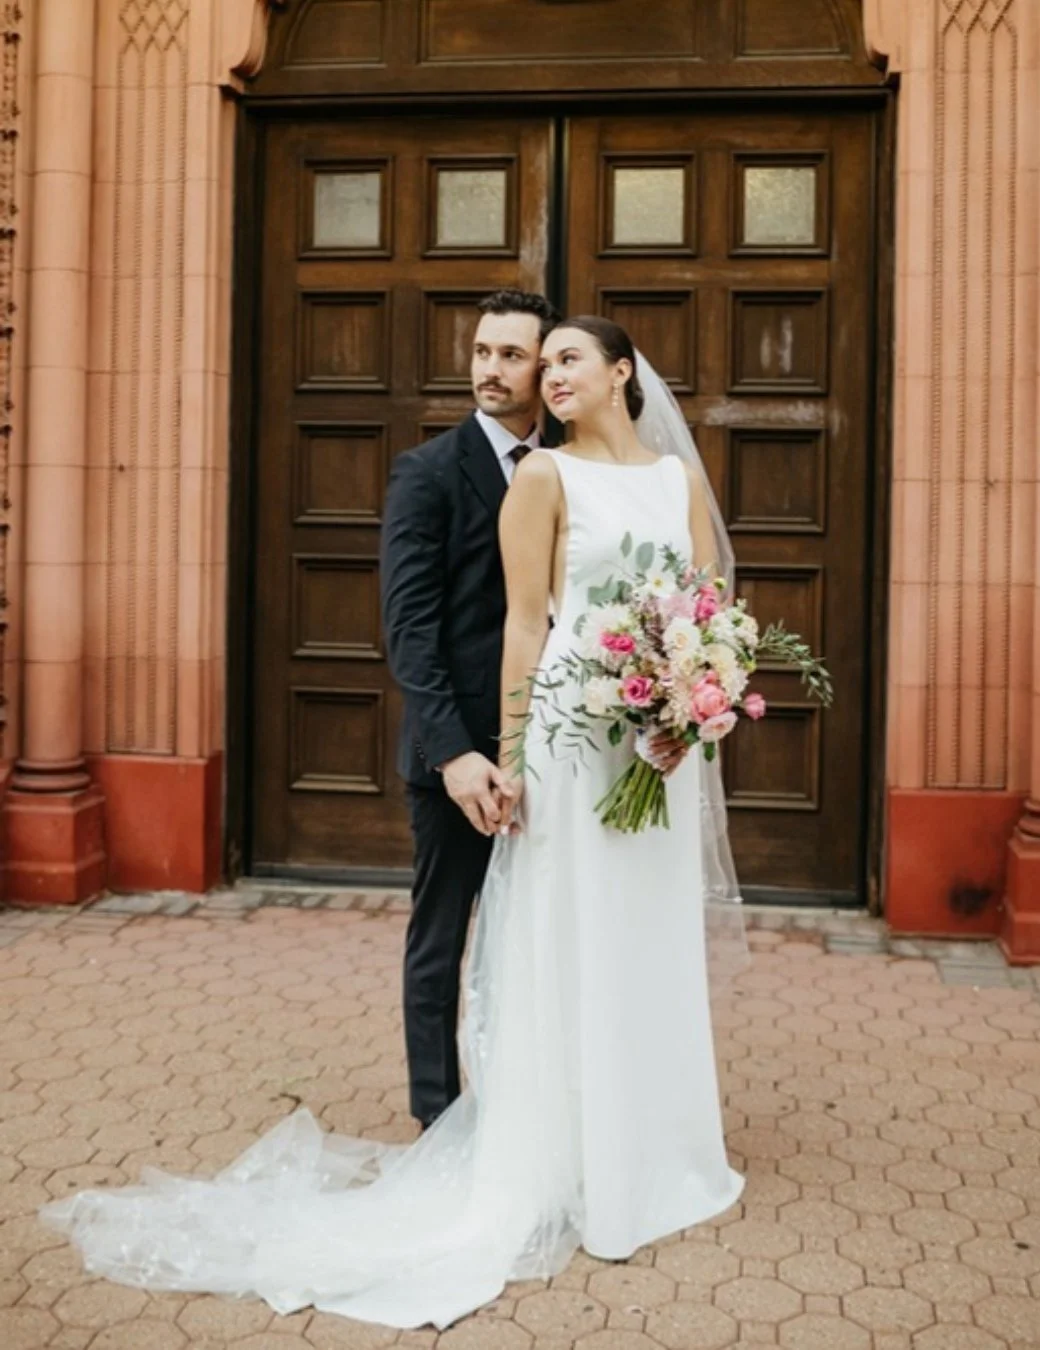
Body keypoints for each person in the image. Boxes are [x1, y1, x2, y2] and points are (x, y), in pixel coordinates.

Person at [40, 317, 748, 1332]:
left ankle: (651, 1144)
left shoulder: (674, 481)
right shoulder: (500, 478)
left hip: (650, 747)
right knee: (496, 934)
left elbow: (699, 602)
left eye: (555, 358)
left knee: (644, 937)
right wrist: (492, 753)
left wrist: (691, 704)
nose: (533, 374)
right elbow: (489, 624)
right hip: (533, 736)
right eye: (516, 358)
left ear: (622, 373)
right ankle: (476, 1129)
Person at [379, 288, 561, 1131]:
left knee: (545, 936)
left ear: (545, 365)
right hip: (459, 758)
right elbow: (410, 629)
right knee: (442, 937)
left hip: (556, 750)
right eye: (483, 351)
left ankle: (536, 1103)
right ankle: (436, 1116)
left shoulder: (575, 466)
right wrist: (454, 756)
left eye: (511, 355)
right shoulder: (427, 473)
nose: (490, 369)